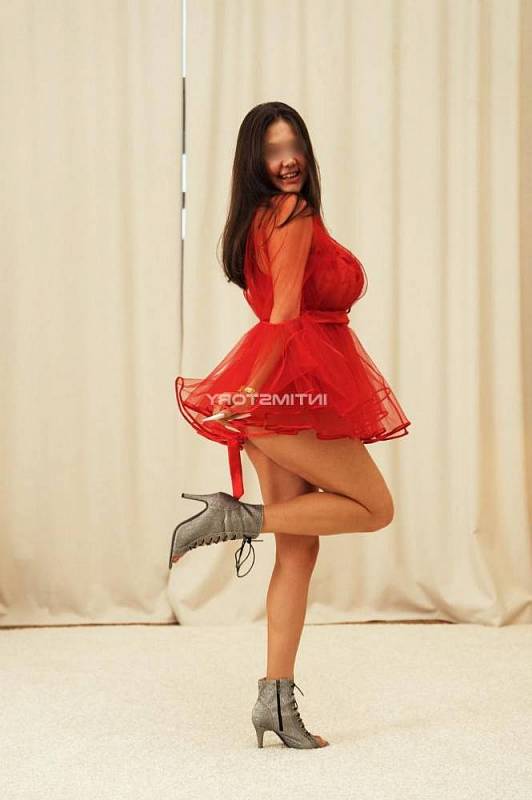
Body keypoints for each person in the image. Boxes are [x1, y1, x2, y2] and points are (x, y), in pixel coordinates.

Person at [169, 102, 412, 749]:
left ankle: (274, 701)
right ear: (254, 159)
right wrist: (251, 394)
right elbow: (281, 315)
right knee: (375, 507)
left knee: (299, 550)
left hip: (281, 387)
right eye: (273, 149)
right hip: (291, 388)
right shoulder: (292, 213)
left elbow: (277, 311)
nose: (287, 159)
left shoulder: (257, 217)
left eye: (293, 144)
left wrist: (251, 396)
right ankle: (236, 518)